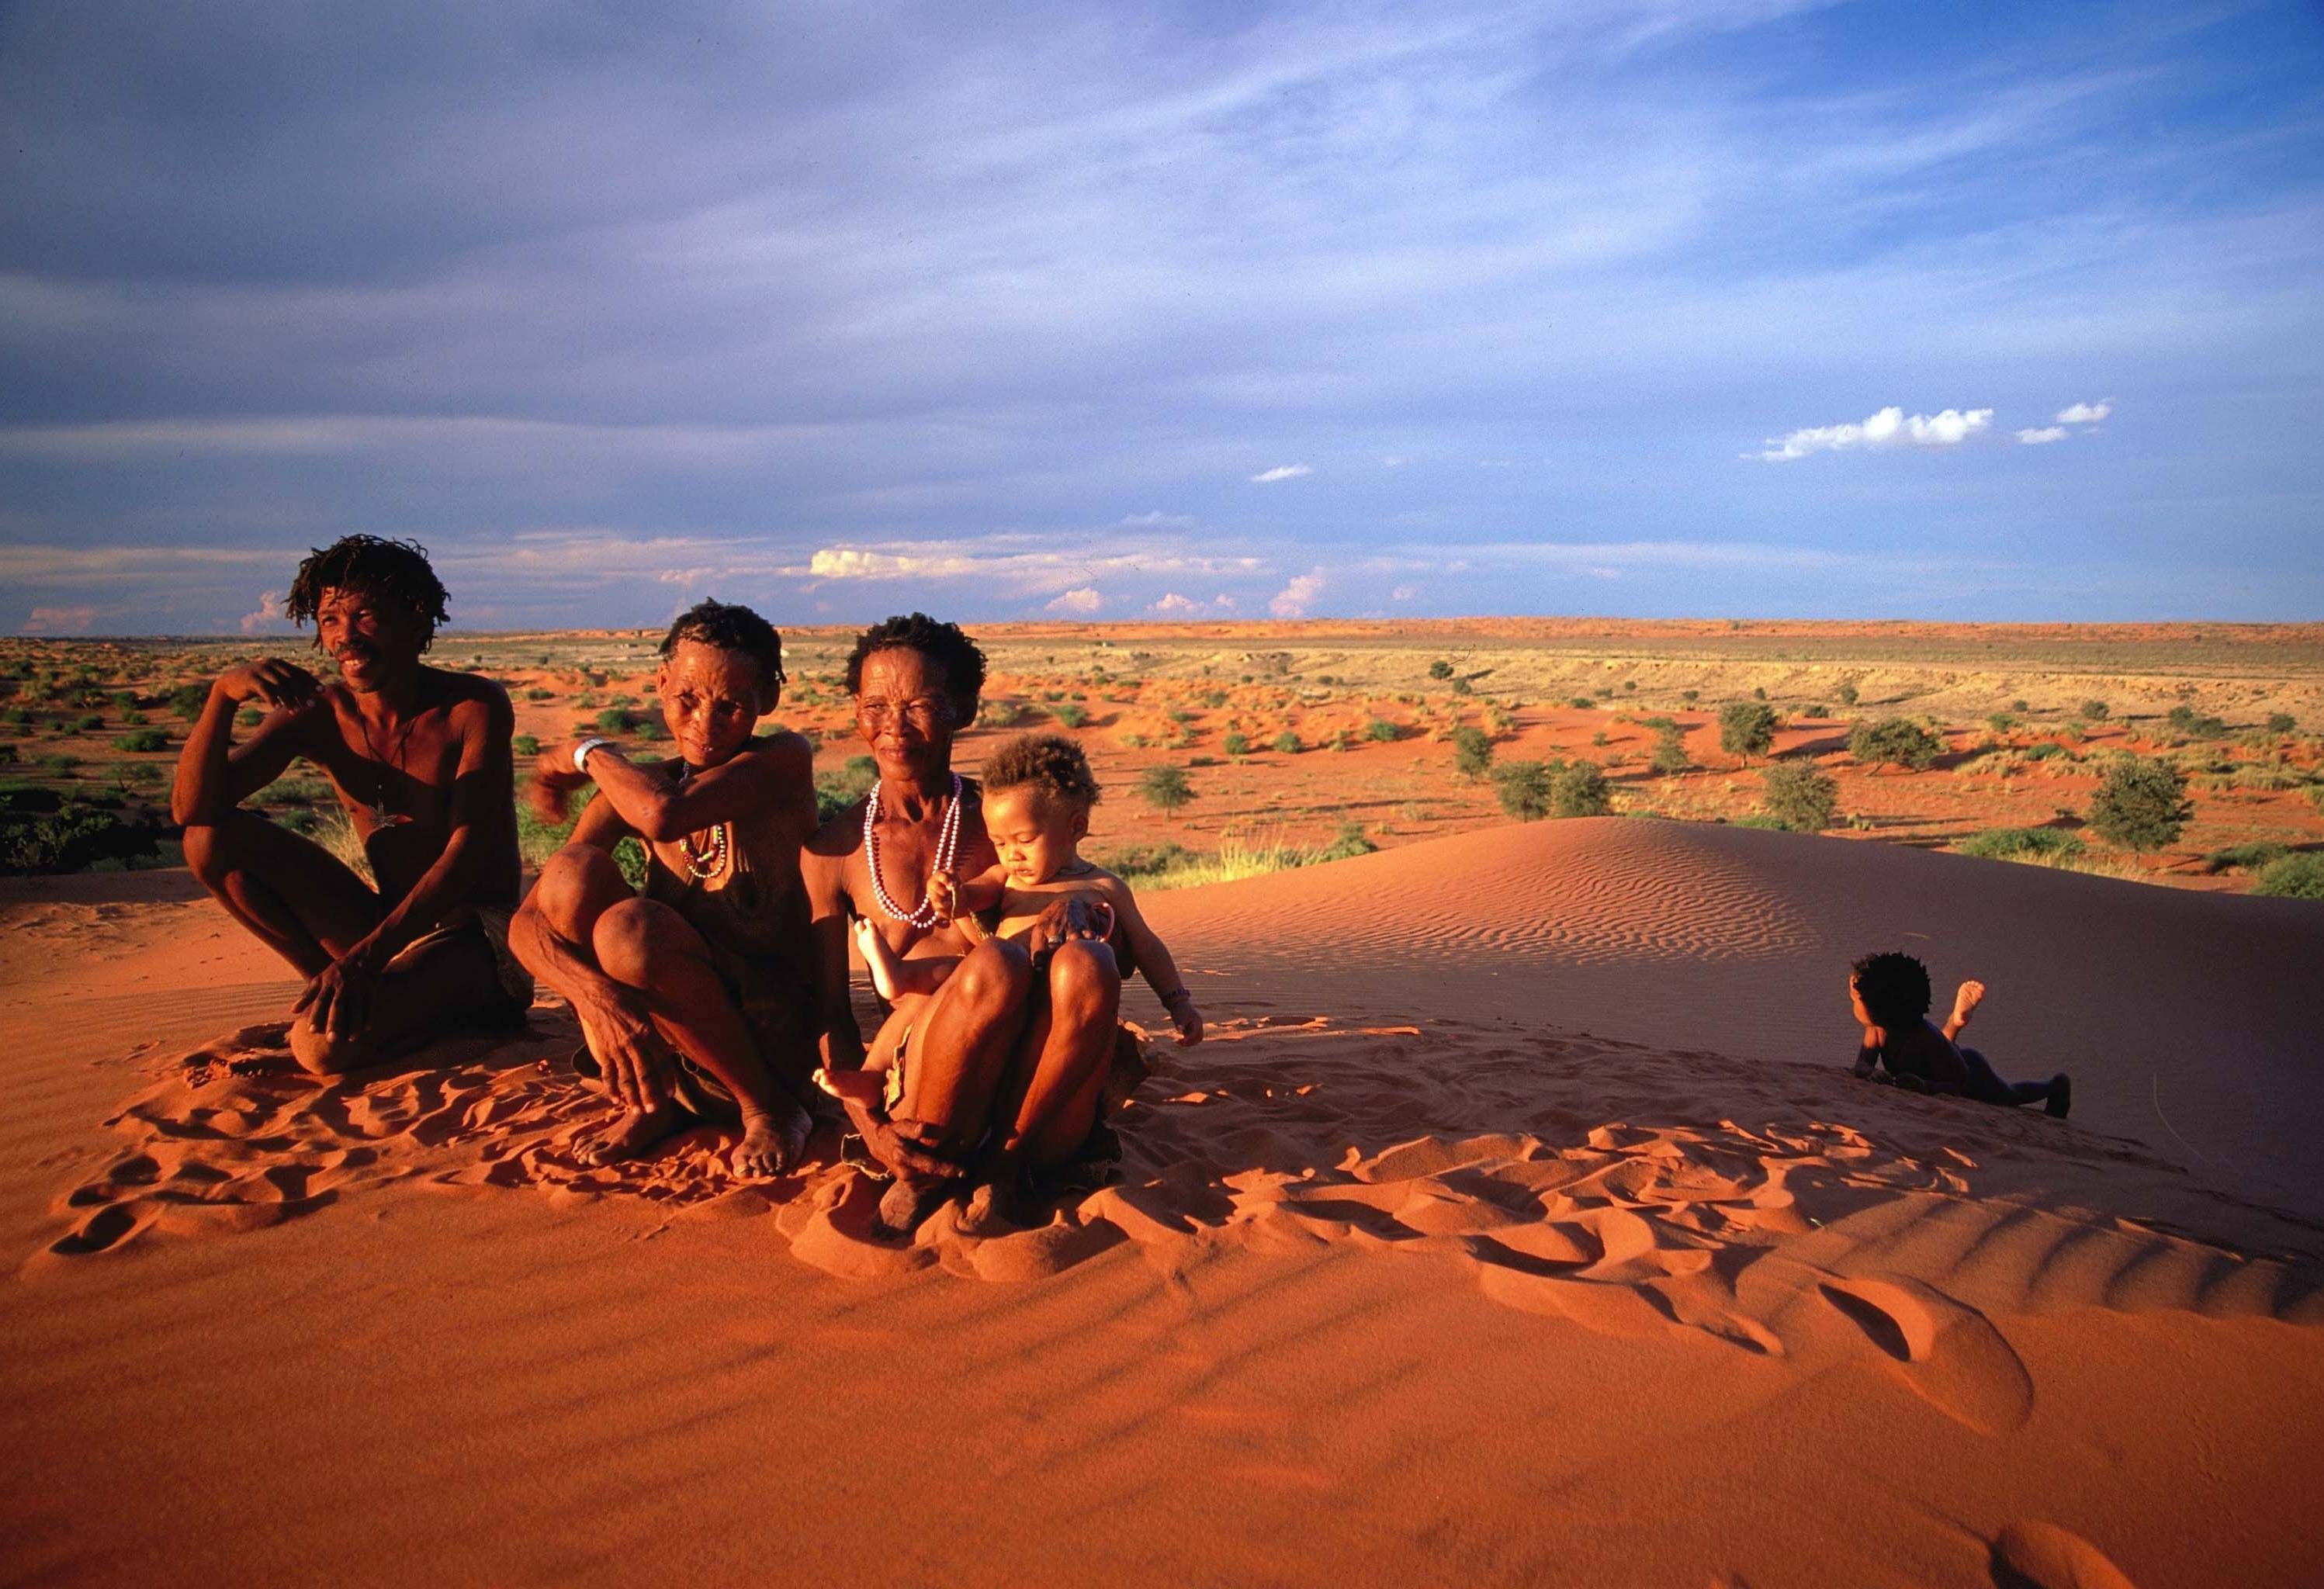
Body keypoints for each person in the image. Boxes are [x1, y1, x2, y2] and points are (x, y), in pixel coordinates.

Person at [802, 614, 1130, 1234]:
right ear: (855, 712)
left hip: (1038, 1085)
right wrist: (872, 1132)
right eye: (876, 706)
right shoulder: (833, 851)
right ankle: (930, 1172)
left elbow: (1116, 940)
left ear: (964, 709)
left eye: (921, 706)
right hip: (931, 1093)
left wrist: (1079, 904)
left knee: (1088, 962)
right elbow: (828, 1012)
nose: (895, 727)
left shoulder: (1012, 820)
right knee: (994, 964)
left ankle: (1005, 1166)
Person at [171, 535, 531, 1075]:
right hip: (387, 927)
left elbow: (468, 855)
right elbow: (192, 811)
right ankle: (329, 995)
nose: (345, 637)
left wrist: (365, 959)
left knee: (322, 1051)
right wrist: (221, 697)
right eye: (330, 620)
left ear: (416, 619)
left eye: (364, 616)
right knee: (208, 841)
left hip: (477, 938)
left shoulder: (472, 707)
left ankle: (375, 1009)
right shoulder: (321, 712)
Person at [509, 600, 822, 1179]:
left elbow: (663, 815)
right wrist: (595, 999)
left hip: (775, 1040)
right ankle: (654, 1103)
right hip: (666, 1044)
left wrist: (588, 753)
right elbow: (527, 924)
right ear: (660, 684)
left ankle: (771, 1110)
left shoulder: (781, 760)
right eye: (687, 698)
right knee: (572, 870)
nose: (705, 722)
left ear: (768, 700)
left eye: (730, 705)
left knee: (630, 931)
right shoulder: (642, 787)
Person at [827, 732, 1203, 1190]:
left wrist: (1178, 1001)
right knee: (927, 994)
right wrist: (950, 894)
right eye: (1000, 842)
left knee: (1056, 974)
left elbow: (1146, 946)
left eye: (1024, 840)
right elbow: (973, 896)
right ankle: (873, 1071)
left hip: (1056, 1012)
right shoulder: (1006, 876)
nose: (1012, 854)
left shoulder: (1106, 888)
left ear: (1076, 828)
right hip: (1000, 993)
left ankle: (1018, 1148)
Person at [1848, 951, 2070, 1116]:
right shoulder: (1876, 1030)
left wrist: (1926, 1086)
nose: (1853, 1003)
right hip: (1939, 1061)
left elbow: (1958, 1083)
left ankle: (2055, 1086)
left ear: (1882, 1008)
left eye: (1857, 999)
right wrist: (1871, 1072)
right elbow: (1862, 1063)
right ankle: (1955, 1021)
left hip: (1971, 1071)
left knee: (2009, 1096)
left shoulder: (1925, 1037)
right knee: (1940, 1050)